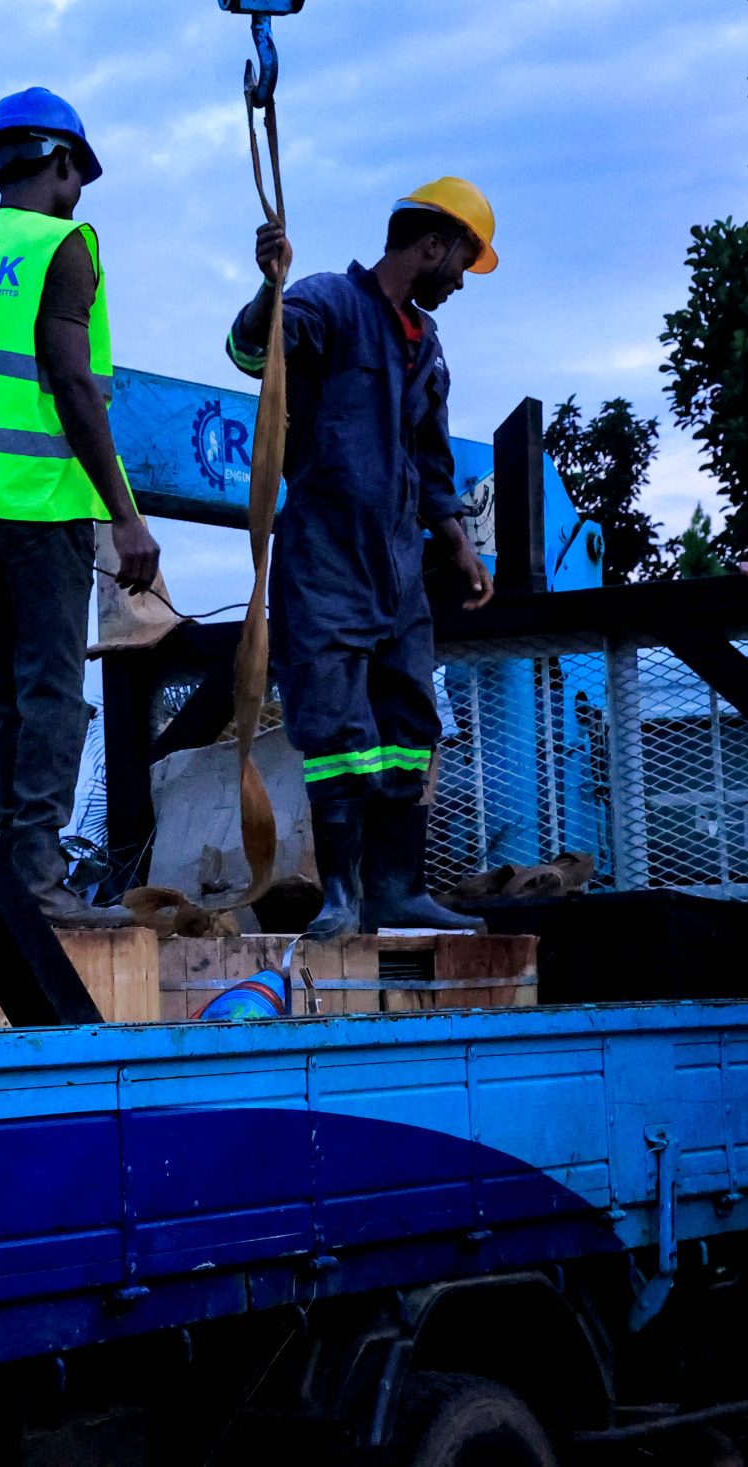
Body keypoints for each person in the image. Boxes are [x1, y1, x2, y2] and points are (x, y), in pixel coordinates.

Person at [223, 179, 500, 939]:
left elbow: (431, 463)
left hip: (399, 569)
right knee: (336, 725)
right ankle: (340, 895)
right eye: (462, 263)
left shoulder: (427, 346)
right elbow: (251, 350)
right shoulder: (329, 303)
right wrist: (269, 286)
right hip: (326, 559)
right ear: (432, 245)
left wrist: (459, 546)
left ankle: (395, 891)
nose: (459, 282)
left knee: (410, 718)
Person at [0, 87, 160, 929]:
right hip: (39, 499)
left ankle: (13, 874)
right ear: (62, 162)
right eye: (78, 178)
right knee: (55, 692)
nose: (78, 196)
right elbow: (71, 382)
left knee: (9, 694)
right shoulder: (61, 245)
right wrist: (125, 515)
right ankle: (37, 878)